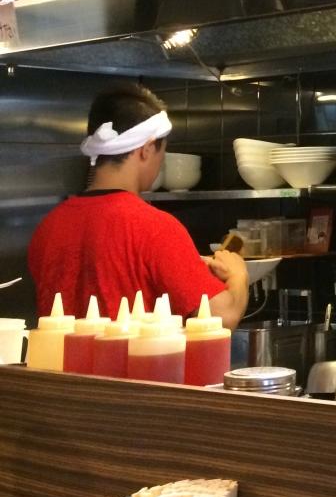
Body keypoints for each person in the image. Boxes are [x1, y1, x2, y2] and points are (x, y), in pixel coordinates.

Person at [28, 83, 248, 327]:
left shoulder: (49, 226)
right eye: (162, 154)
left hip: (55, 354)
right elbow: (223, 316)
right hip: (133, 355)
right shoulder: (155, 228)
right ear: (147, 149)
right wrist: (238, 275)